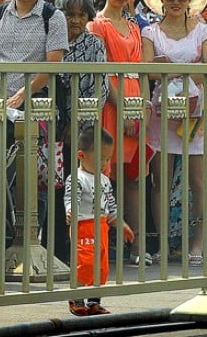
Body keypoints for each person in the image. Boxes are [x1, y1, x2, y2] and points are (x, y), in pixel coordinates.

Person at [140, 0, 207, 265]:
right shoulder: (151, 33)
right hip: (161, 112)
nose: (174, 1)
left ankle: (198, 240)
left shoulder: (204, 31)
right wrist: (177, 71)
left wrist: (171, 70)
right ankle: (162, 243)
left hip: (194, 111)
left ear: (189, 0)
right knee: (161, 180)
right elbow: (147, 70)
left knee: (198, 180)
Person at [87, 0, 150, 265]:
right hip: (110, 102)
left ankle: (137, 246)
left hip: (136, 97)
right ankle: (100, 244)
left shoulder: (136, 26)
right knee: (104, 176)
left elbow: (143, 71)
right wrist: (122, 108)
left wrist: (145, 108)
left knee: (135, 178)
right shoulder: (96, 25)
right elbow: (101, 72)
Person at [47, 0, 108, 260]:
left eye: (80, 14)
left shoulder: (95, 44)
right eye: (68, 14)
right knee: (52, 187)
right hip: (49, 124)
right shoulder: (50, 40)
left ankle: (78, 251)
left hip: (82, 130)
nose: (74, 20)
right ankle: (53, 249)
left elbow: (100, 89)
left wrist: (78, 124)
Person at [64, 125, 133, 316]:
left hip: (101, 226)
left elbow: (110, 206)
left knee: (101, 266)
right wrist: (71, 211)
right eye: (100, 158)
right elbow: (71, 198)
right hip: (84, 225)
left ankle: (94, 301)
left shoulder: (104, 180)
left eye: (108, 158)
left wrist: (121, 223)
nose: (104, 163)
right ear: (81, 155)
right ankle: (76, 297)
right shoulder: (77, 178)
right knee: (84, 263)